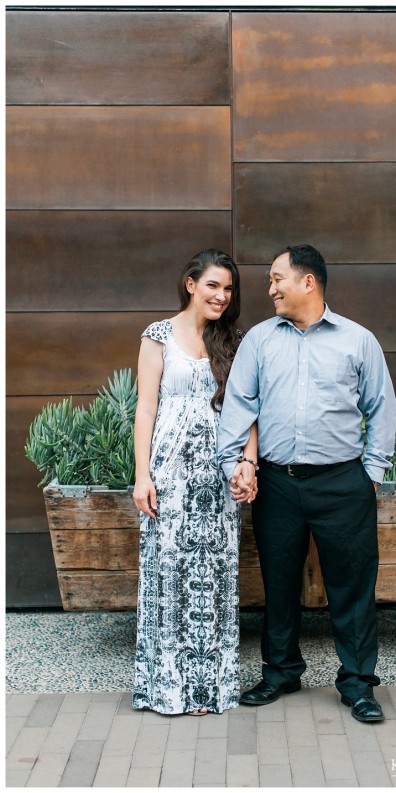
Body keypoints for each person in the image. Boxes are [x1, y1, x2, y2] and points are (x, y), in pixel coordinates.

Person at [217, 244, 396, 723]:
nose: (270, 287)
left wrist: (371, 474)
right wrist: (236, 461)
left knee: (353, 586)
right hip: (277, 484)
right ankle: (280, 673)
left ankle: (358, 684)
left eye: (277, 278)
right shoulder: (259, 340)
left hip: (342, 483)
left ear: (308, 282)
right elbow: (239, 403)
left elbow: (381, 406)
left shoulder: (358, 340)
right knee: (278, 582)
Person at [132, 249, 257, 716]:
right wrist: (142, 475)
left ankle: (207, 689)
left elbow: (248, 412)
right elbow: (145, 409)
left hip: (218, 479)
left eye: (228, 289)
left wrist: (249, 461)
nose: (222, 296)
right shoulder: (158, 336)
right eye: (213, 286)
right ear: (190, 284)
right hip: (168, 475)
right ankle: (167, 689)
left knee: (212, 579)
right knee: (171, 576)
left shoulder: (236, 341)